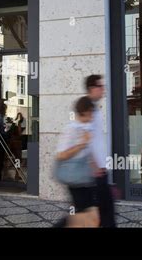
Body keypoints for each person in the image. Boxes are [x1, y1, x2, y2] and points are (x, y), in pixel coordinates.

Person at [56, 96, 99, 227]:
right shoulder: (71, 129)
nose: (93, 115)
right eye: (91, 111)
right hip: (75, 181)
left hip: (85, 179)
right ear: (85, 111)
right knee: (87, 218)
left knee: (85, 218)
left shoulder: (88, 128)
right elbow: (61, 155)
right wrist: (82, 144)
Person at [86, 74, 116, 228]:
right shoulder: (87, 108)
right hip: (94, 173)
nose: (103, 89)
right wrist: (93, 166)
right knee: (100, 214)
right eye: (100, 86)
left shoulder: (94, 108)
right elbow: (84, 140)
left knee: (105, 214)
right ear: (92, 88)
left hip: (100, 171)